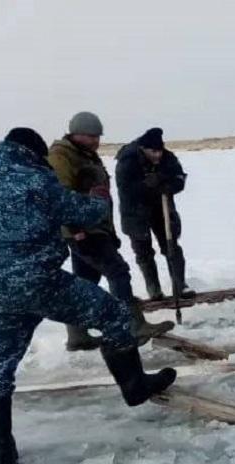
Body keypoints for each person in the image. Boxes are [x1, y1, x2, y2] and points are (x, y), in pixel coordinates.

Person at [0, 128, 177, 464]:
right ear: (33, 154)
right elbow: (83, 214)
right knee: (112, 313)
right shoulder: (37, 180)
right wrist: (100, 195)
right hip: (43, 283)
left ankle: (1, 452)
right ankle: (135, 387)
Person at [48, 112, 173, 350]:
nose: (96, 141)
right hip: (83, 229)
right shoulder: (62, 156)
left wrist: (109, 231)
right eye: (90, 136)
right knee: (118, 272)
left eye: (97, 136)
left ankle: (77, 335)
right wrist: (74, 228)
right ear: (75, 133)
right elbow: (59, 195)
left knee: (86, 281)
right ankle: (131, 325)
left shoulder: (85, 154)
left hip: (95, 227)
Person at [115, 127, 195, 301]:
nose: (158, 155)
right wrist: (147, 185)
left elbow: (179, 177)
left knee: (171, 246)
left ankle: (180, 285)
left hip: (162, 209)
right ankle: (154, 289)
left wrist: (168, 185)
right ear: (143, 148)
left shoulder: (168, 157)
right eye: (153, 151)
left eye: (159, 151)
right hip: (135, 212)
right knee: (143, 251)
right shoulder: (128, 160)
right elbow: (127, 189)